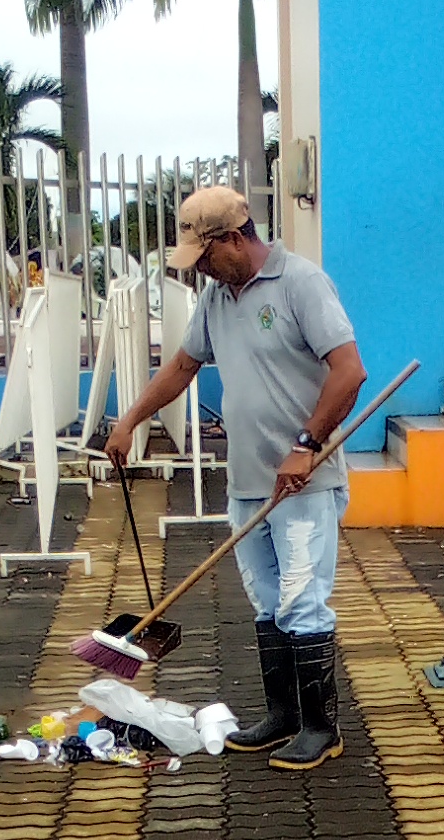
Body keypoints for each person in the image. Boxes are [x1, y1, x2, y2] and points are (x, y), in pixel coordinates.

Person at [107, 187, 365, 772]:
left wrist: (306, 446)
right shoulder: (216, 298)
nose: (200, 269)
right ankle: (283, 717)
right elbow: (182, 366)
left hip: (304, 483)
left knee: (303, 603)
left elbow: (349, 372)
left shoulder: (301, 283)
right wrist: (129, 420)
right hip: (247, 482)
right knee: (267, 603)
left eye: (204, 256)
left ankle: (321, 728)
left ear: (233, 238)